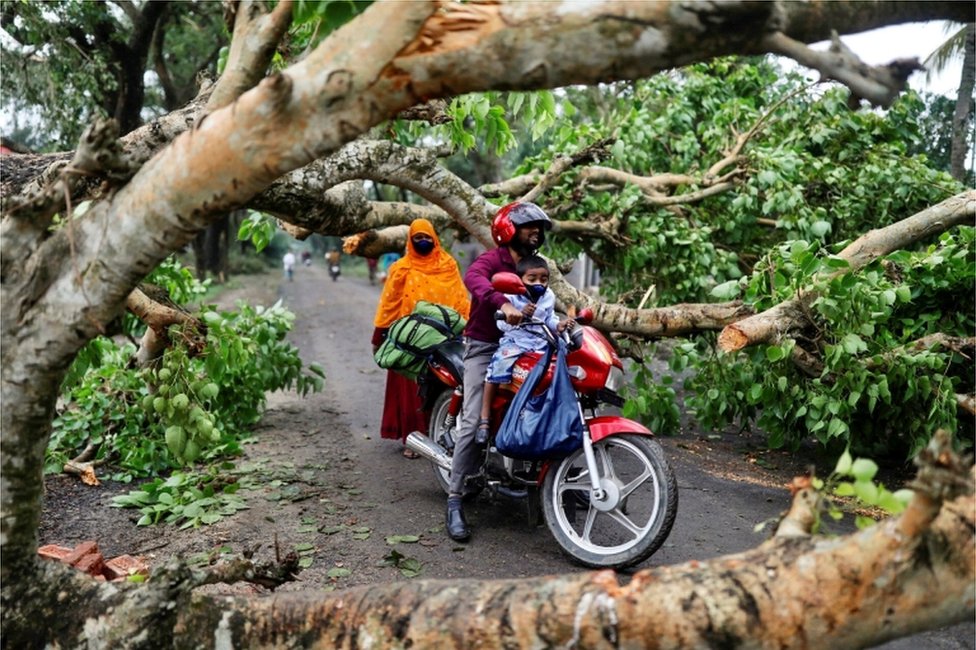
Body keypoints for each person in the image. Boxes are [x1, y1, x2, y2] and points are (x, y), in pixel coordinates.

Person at [446, 201, 552, 542]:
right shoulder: (492, 261)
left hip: (528, 344)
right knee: (473, 419)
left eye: (539, 227)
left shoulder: (537, 266)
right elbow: (473, 278)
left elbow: (549, 299)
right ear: (509, 230)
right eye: (528, 226)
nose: (535, 232)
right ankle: (455, 499)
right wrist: (502, 303)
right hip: (486, 347)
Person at [371, 219, 471, 458]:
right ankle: (413, 439)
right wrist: (379, 335)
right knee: (411, 392)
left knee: (443, 389)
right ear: (410, 241)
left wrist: (466, 328)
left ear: (435, 239)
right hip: (411, 341)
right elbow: (389, 303)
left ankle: (443, 438)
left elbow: (459, 299)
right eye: (418, 239)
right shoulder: (401, 268)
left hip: (443, 339)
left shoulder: (448, 265)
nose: (423, 242)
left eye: (427, 238)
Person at [478, 255, 570, 443]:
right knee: (497, 369)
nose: (539, 284)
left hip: (540, 343)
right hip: (515, 342)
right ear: (520, 280)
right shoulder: (510, 296)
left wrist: (558, 326)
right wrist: (518, 315)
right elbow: (502, 326)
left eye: (543, 280)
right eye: (532, 279)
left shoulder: (549, 296)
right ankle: (484, 418)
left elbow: (549, 318)